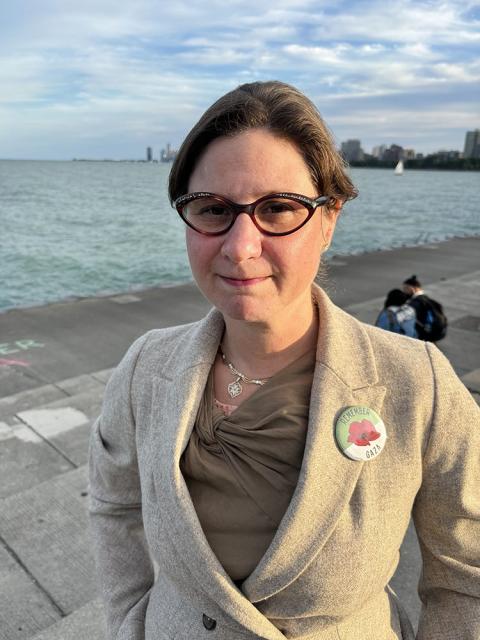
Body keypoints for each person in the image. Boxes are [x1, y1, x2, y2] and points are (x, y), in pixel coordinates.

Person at [88, 81, 480, 640]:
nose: (241, 245)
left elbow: (466, 572)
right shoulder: (144, 370)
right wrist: (131, 625)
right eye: (213, 209)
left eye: (277, 208)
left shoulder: (419, 386)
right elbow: (114, 507)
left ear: (329, 218)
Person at [403, 275, 448, 342]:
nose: (404, 291)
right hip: (435, 333)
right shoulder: (427, 299)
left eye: (406, 288)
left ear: (413, 289)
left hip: (424, 336)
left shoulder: (415, 303)